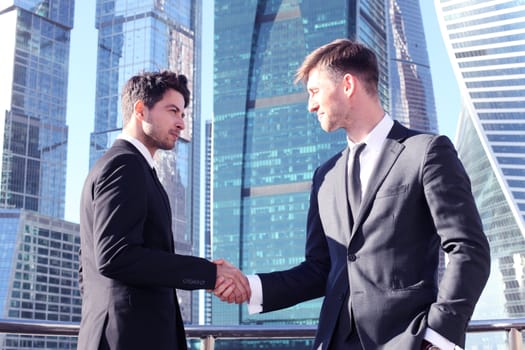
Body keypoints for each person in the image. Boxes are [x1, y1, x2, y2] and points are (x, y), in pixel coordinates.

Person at [215, 39, 490, 349]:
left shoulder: (425, 152)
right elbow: (320, 269)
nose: (311, 105)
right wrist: (250, 286)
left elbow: (468, 247)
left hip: (405, 340)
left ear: (347, 84)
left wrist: (438, 335)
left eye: (315, 91)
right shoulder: (325, 176)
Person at [78, 70, 250, 350]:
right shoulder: (126, 165)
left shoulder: (121, 166)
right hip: (128, 339)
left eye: (183, 114)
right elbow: (114, 256)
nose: (181, 123)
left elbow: (87, 269)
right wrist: (210, 273)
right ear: (141, 110)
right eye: (173, 111)